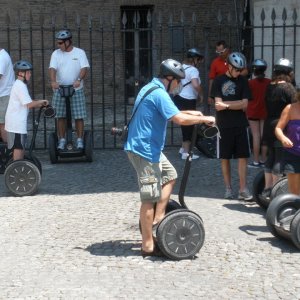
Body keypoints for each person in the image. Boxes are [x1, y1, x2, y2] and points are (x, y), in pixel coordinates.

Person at [124, 59, 215, 257]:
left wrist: (194, 112)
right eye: (179, 82)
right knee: (149, 198)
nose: (179, 86)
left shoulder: (154, 88)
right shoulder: (158, 92)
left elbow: (172, 112)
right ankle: (147, 245)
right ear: (170, 78)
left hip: (150, 148)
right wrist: (204, 118)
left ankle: (159, 218)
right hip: (144, 150)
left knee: (170, 175)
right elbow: (179, 119)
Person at [211, 52, 253, 201]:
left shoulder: (243, 81)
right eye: (236, 69)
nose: (238, 72)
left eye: (240, 70)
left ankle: (243, 188)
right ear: (229, 66)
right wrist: (235, 104)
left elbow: (245, 104)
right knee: (225, 158)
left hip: (240, 124)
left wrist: (227, 105)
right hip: (223, 125)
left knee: (243, 157)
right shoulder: (218, 81)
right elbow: (217, 105)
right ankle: (228, 189)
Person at [260, 58, 297, 200]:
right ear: (288, 72)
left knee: (271, 157)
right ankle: (276, 193)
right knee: (280, 159)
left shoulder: (270, 86)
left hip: (269, 124)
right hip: (282, 125)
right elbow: (295, 107)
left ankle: (267, 189)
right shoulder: (288, 88)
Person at [49, 29, 90, 150]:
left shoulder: (79, 53)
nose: (58, 45)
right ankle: (62, 140)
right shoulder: (56, 54)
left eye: (61, 43)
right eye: (58, 43)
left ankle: (79, 140)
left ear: (68, 42)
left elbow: (84, 68)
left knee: (79, 116)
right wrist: (53, 81)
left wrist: (78, 79)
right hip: (60, 90)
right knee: (60, 116)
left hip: (76, 90)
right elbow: (52, 69)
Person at [5, 60, 48, 161]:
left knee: (20, 147)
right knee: (19, 148)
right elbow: (29, 104)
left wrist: (40, 103)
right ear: (21, 73)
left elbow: (27, 101)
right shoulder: (20, 86)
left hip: (16, 122)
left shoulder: (20, 85)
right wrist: (41, 101)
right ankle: (16, 170)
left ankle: (18, 168)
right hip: (16, 124)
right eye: (28, 72)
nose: (30, 74)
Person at [173, 48, 204, 160]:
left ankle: (182, 148)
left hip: (179, 98)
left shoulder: (182, 67)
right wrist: (201, 94)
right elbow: (195, 85)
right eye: (199, 59)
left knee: (184, 124)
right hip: (188, 99)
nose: (199, 62)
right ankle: (186, 153)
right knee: (188, 125)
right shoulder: (193, 70)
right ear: (194, 59)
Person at [275, 89, 300, 195]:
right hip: (292, 153)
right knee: (294, 192)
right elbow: (278, 128)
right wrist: (283, 138)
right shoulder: (290, 108)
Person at [247, 59, 271, 167]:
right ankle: (264, 160)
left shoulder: (250, 83)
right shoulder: (269, 82)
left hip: (253, 111)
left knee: (256, 136)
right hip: (265, 111)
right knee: (264, 136)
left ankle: (256, 161)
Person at [0, 48, 14, 143]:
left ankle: (8, 149)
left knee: (2, 124)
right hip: (3, 94)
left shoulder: (2, 57)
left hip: (4, 95)